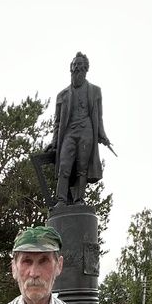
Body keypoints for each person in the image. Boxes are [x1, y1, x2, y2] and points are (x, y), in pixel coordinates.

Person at [48, 52, 113, 206]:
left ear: (86, 68)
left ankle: (79, 199)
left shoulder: (95, 91)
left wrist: (102, 135)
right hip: (69, 133)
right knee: (64, 165)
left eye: (80, 65)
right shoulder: (62, 95)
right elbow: (57, 122)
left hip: (87, 131)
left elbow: (99, 116)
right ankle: (61, 200)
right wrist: (55, 141)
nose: (78, 67)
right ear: (71, 68)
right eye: (75, 65)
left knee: (82, 167)